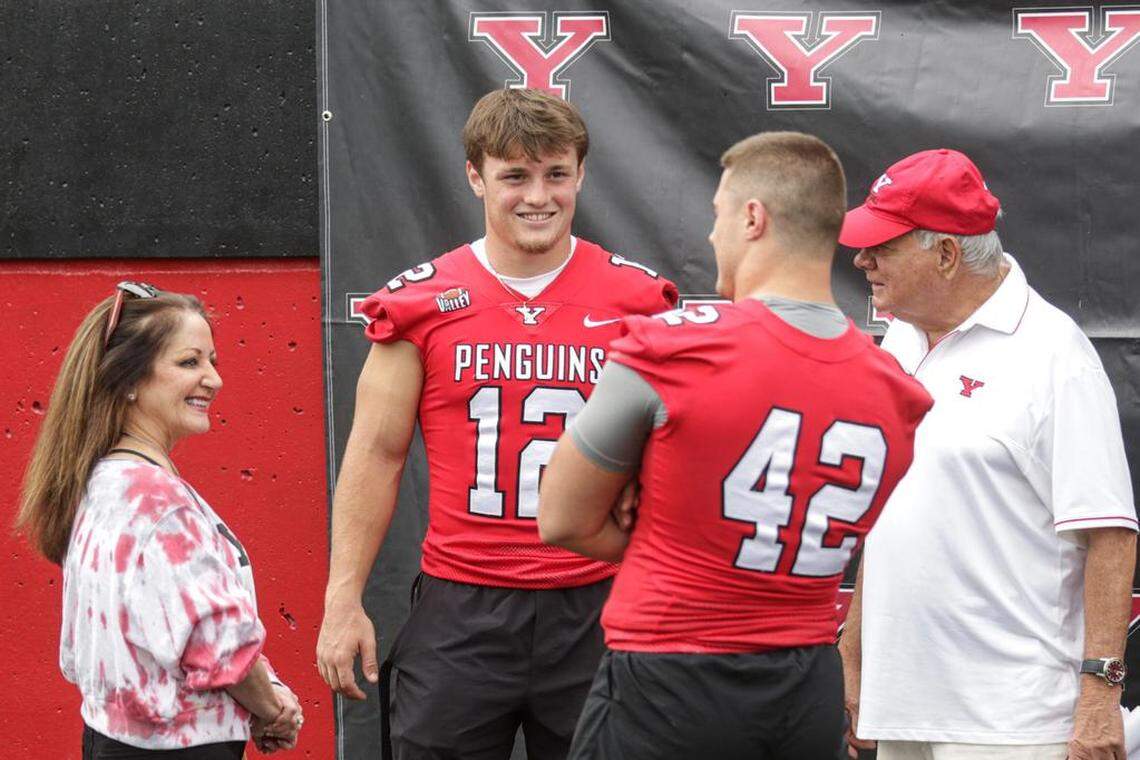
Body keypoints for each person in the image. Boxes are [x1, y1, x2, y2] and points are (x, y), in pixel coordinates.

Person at [536, 131, 933, 759]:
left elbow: (558, 518)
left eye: (718, 215)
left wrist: (661, 522)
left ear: (753, 218)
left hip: (670, 680)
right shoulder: (898, 389)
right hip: (805, 688)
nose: (711, 236)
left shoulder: (673, 348)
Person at [315, 88, 678, 759]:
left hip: (596, 602)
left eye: (555, 174)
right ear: (476, 177)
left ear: (580, 175)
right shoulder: (421, 303)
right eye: (514, 175)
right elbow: (374, 452)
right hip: (463, 607)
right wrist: (344, 597)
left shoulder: (639, 302)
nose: (537, 196)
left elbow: (677, 458)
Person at [837, 148, 1137, 760]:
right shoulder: (898, 338)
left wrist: (1100, 695)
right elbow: (899, 509)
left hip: (1013, 722)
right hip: (904, 705)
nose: (862, 259)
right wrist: (855, 645)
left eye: (883, 245)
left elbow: (1110, 534)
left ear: (945, 254)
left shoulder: (1055, 355)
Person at [15, 282, 303, 758]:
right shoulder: (156, 499)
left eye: (212, 361)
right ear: (127, 379)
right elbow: (221, 647)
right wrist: (273, 708)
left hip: (108, 740)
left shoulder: (99, 484)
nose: (213, 379)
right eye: (189, 362)